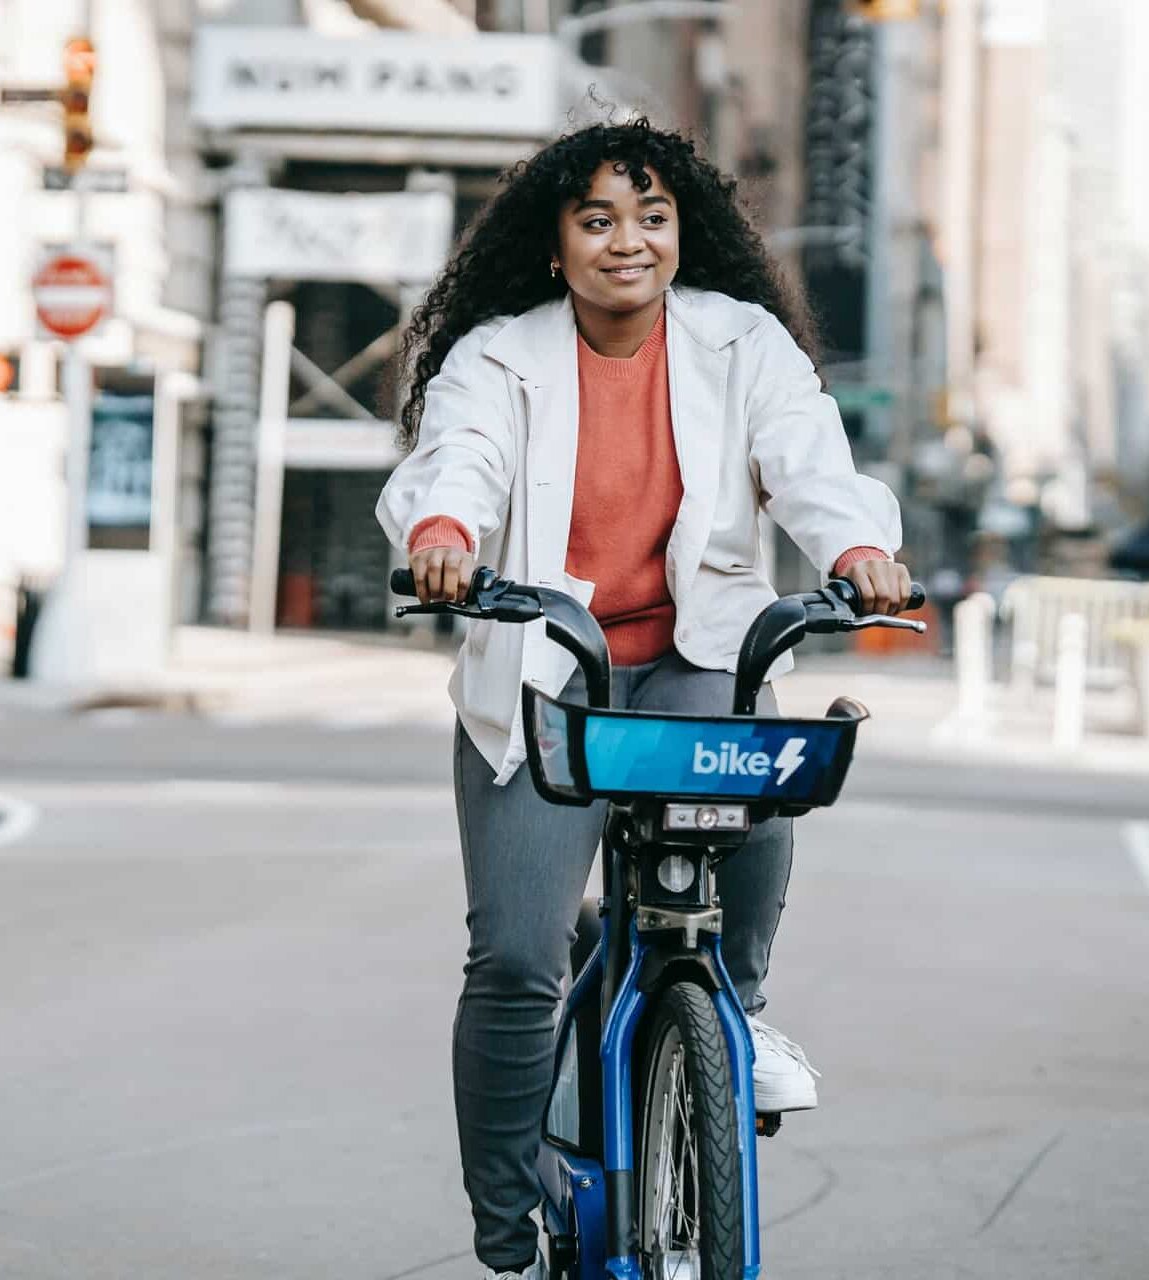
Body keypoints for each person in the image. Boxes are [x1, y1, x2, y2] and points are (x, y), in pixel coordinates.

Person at [375, 119, 911, 1280]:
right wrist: (443, 534)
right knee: (517, 957)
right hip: (545, 668)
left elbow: (809, 461)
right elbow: (453, 458)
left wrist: (859, 547)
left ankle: (735, 1007)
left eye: (653, 217)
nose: (630, 241)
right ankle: (506, 1206)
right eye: (599, 219)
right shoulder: (501, 356)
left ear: (685, 233)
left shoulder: (741, 342)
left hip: (691, 649)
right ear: (554, 244)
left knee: (759, 760)